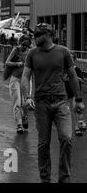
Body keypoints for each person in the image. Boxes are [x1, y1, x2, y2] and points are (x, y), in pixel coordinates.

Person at [21, 23, 85, 183]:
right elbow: (25, 76)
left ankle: (64, 178)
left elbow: (72, 76)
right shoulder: (32, 54)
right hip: (41, 103)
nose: (34, 38)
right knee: (43, 143)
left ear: (48, 35)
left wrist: (78, 100)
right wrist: (27, 97)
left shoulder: (63, 52)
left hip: (61, 101)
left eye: (37, 35)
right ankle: (45, 179)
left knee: (66, 138)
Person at [5, 34, 32, 134]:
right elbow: (7, 62)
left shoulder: (30, 52)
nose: (24, 46)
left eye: (26, 45)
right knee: (17, 102)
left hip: (27, 79)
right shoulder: (16, 50)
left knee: (26, 101)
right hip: (15, 78)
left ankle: (25, 117)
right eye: (23, 44)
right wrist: (17, 63)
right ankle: (19, 124)